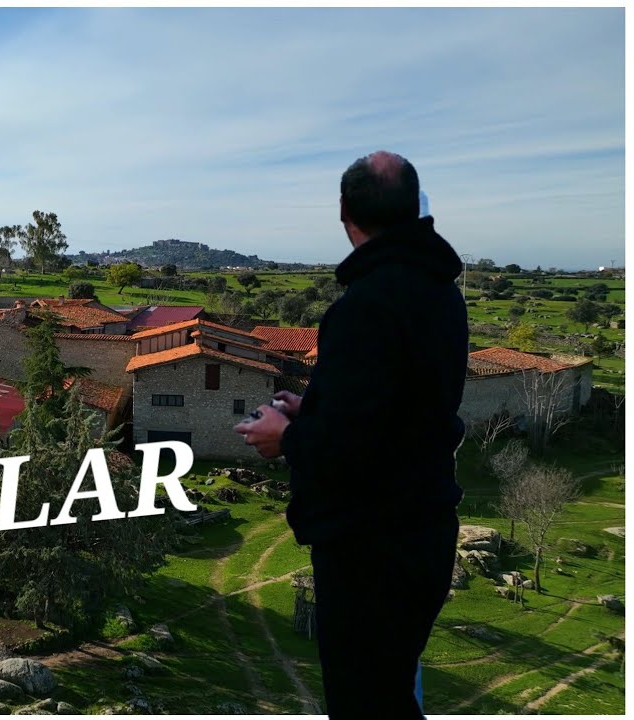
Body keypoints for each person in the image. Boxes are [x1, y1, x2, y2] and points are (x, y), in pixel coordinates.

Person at [233, 151, 467, 718]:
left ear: (345, 213)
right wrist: (316, 405)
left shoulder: (367, 305)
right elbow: (396, 413)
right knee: (392, 694)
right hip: (421, 531)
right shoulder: (441, 293)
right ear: (414, 208)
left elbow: (354, 451)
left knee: (367, 704)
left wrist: (285, 438)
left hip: (373, 551)